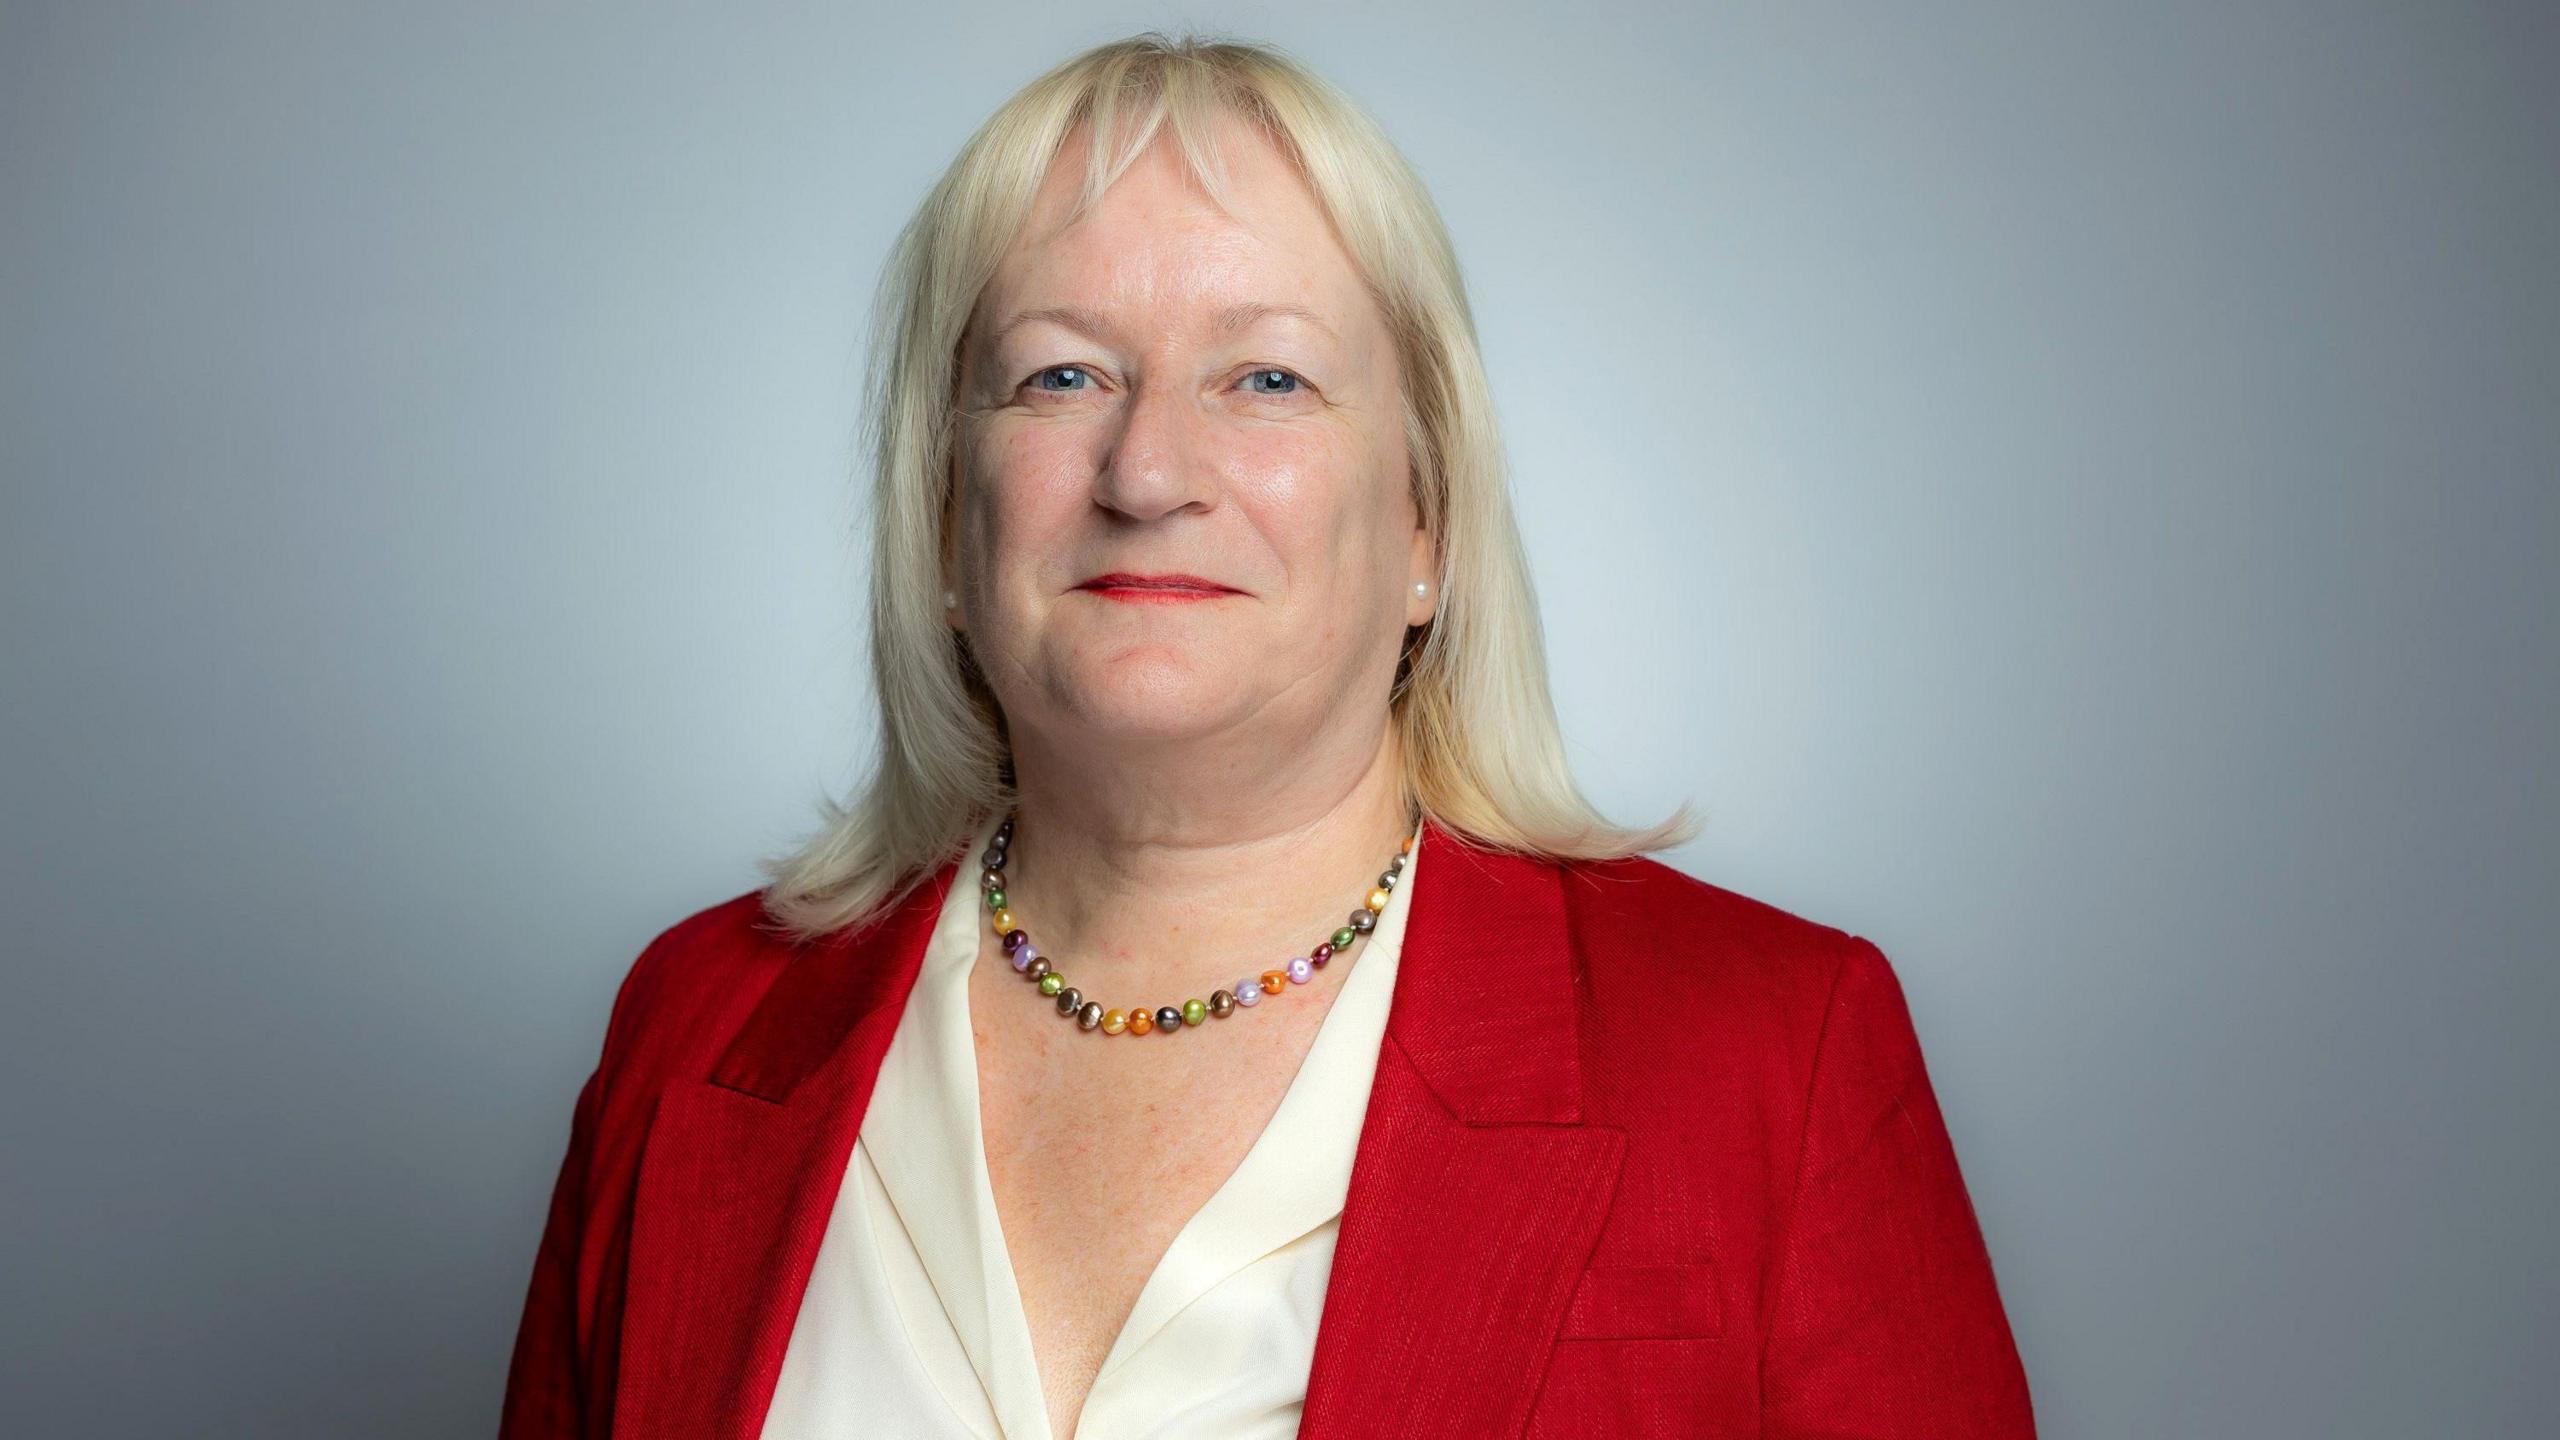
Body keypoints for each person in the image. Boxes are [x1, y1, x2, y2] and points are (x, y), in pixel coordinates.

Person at [499, 30, 2034, 1440]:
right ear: (946, 526)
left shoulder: (1774, 1051)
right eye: (1060, 375)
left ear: (1427, 523)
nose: (1150, 467)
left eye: (1269, 377)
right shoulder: (695, 1029)